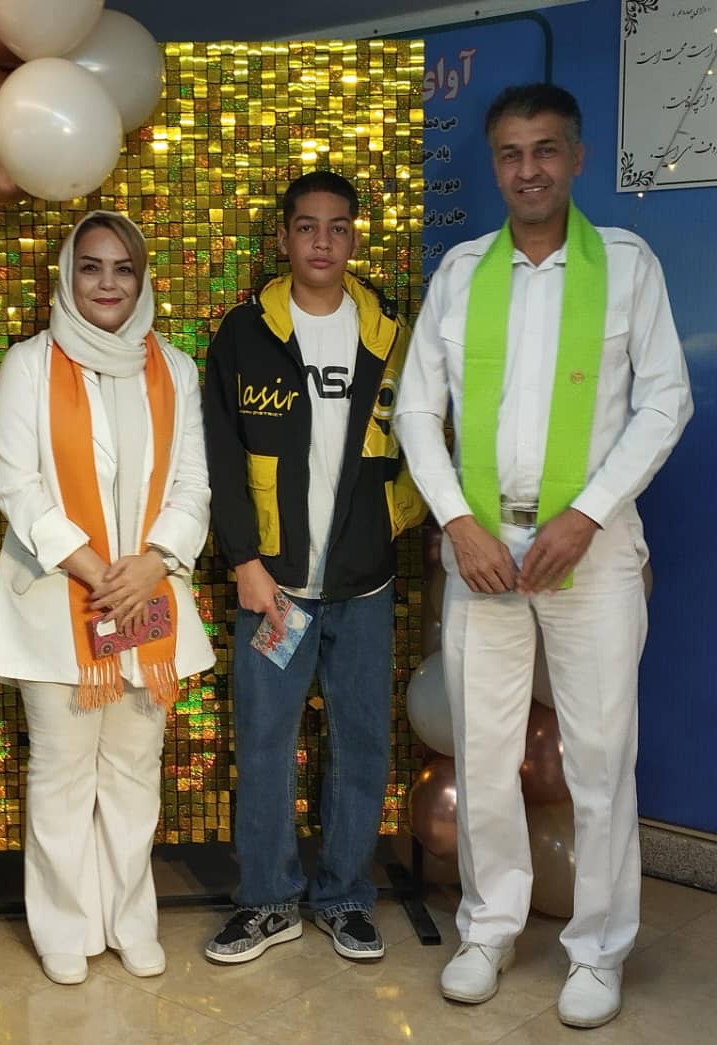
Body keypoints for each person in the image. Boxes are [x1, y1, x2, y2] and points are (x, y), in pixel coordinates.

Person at [395, 84, 693, 1028]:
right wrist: (456, 521)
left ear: (576, 157)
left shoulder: (627, 267)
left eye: (545, 150)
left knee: (601, 758)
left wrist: (589, 514)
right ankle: (488, 928)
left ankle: (598, 950)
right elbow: (415, 409)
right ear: (496, 165)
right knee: (484, 751)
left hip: (590, 554)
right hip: (481, 549)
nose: (528, 170)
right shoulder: (461, 272)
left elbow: (667, 400)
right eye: (511, 153)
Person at [0, 211, 215, 986]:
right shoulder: (28, 365)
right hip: (58, 603)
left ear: (142, 279)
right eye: (91, 266)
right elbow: (19, 486)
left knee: (135, 768)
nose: (107, 283)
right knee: (61, 770)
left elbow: (194, 483)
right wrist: (95, 568)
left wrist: (153, 561)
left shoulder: (175, 369)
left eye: (123, 268)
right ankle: (64, 926)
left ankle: (130, 921)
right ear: (67, 275)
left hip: (149, 597)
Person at [202, 171, 426, 965]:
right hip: (275, 588)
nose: (322, 241)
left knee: (362, 742)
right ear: (284, 238)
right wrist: (245, 561)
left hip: (365, 583)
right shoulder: (244, 334)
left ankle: (344, 897)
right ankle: (268, 900)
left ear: (354, 237)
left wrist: (396, 525)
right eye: (307, 227)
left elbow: (424, 436)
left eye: (337, 227)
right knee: (264, 743)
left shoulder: (390, 333)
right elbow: (221, 459)